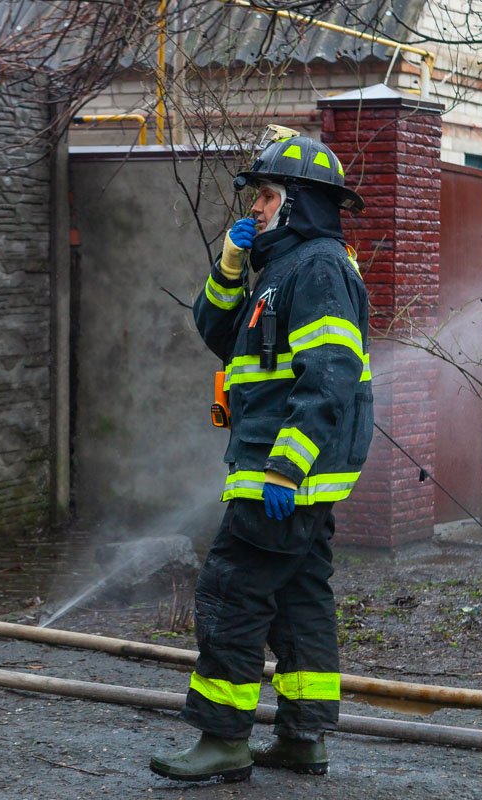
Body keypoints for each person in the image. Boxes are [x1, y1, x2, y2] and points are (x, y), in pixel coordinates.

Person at [150, 127, 374, 783]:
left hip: (280, 477)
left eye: (267, 196)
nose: (255, 207)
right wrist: (226, 268)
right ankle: (304, 738)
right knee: (302, 601)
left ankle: (223, 738)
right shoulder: (280, 271)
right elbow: (217, 332)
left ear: (299, 202)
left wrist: (285, 464)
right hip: (288, 478)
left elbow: (329, 374)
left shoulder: (318, 269)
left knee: (230, 596)